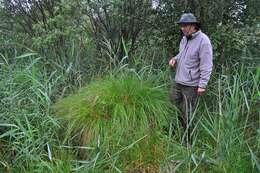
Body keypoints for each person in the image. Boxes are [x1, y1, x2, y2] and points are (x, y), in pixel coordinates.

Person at [169, 13, 213, 145]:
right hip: (178, 81)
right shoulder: (184, 39)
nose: (182, 28)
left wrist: (202, 85)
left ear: (193, 26)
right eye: (181, 25)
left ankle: (187, 143)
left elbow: (207, 64)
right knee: (172, 108)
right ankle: (175, 134)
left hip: (191, 86)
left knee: (187, 114)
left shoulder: (204, 41)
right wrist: (174, 59)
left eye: (184, 25)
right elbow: (182, 54)